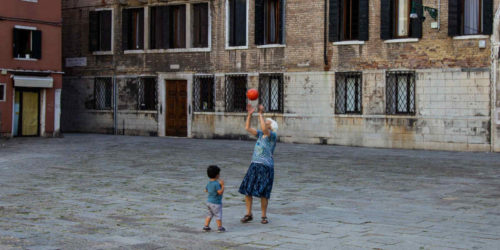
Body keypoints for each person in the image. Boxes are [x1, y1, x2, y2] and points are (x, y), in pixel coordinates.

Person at [239, 104, 278, 224]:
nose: (265, 123)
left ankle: (263, 216)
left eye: (267, 122)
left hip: (266, 167)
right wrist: (250, 115)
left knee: (264, 193)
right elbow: (247, 128)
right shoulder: (260, 134)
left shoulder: (272, 136)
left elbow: (265, 130)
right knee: (247, 190)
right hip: (254, 164)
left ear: (271, 126)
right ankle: (248, 213)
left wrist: (260, 114)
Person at [203, 165, 226, 232]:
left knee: (209, 214)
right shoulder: (216, 184)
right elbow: (220, 192)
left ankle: (206, 226)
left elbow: (206, 190)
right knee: (218, 215)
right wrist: (222, 186)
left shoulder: (209, 183)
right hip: (216, 203)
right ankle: (220, 227)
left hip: (209, 202)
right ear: (217, 175)